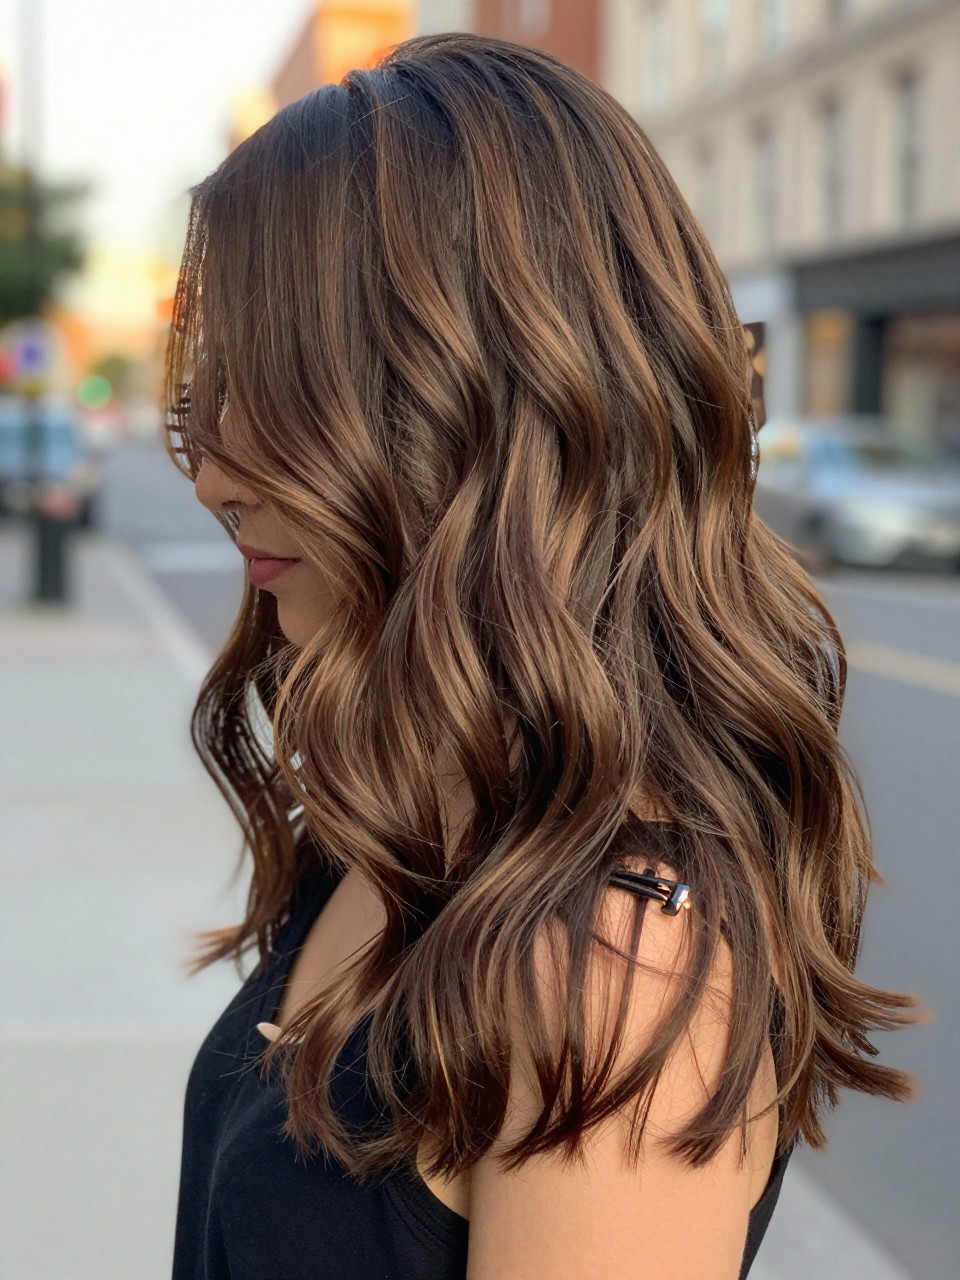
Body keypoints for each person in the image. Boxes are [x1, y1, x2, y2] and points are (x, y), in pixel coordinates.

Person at [165, 32, 922, 1280]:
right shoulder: (415, 824)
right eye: (218, 386)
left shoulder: (614, 970)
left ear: (483, 410)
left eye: (285, 390)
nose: (214, 472)